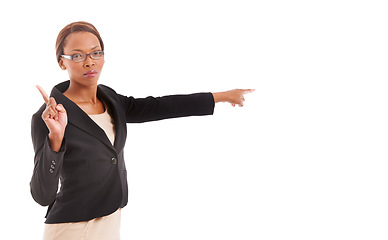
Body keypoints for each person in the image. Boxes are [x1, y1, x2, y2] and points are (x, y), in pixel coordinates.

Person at [30, 21, 254, 240]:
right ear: (62, 62)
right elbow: (42, 195)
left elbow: (160, 106)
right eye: (78, 56)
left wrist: (220, 96)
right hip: (72, 228)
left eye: (96, 53)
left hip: (109, 220)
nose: (90, 62)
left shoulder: (110, 99)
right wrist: (56, 138)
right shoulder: (48, 117)